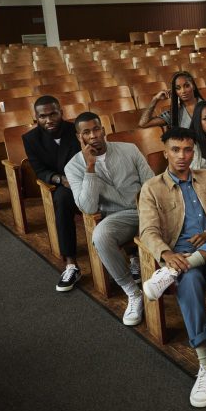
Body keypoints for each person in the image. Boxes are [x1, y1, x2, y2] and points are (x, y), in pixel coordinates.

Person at [138, 127, 206, 408]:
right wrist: (167, 254)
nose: (183, 156)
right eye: (176, 150)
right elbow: (148, 231)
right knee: (190, 281)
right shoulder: (152, 188)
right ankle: (205, 365)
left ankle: (171, 275)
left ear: (195, 150)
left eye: (188, 150)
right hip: (181, 257)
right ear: (165, 152)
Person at [65, 112, 154, 326]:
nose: (93, 135)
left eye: (96, 129)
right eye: (86, 132)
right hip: (117, 217)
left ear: (103, 130)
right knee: (100, 236)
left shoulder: (129, 149)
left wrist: (151, 210)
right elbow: (87, 207)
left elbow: (151, 183)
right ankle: (133, 293)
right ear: (79, 137)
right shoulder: (73, 167)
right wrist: (90, 168)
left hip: (146, 209)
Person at [23, 95, 83, 292]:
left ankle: (132, 253)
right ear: (36, 118)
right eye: (43, 116)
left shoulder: (76, 129)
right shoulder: (31, 139)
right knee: (62, 200)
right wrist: (60, 179)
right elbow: (39, 170)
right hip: (64, 185)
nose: (48, 120)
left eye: (53, 114)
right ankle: (71, 263)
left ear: (61, 113)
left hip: (88, 178)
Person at [138, 71, 202, 129]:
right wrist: (155, 99)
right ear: (174, 91)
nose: (183, 91)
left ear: (193, 86)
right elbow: (143, 124)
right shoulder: (174, 113)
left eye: (187, 86)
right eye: (178, 88)